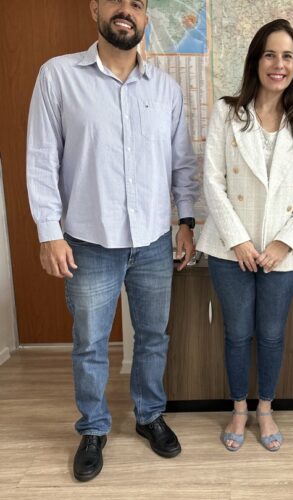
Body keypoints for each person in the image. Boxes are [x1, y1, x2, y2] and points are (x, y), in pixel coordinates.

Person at [26, 0, 198, 482]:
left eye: (138, 3)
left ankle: (149, 416)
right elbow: (40, 159)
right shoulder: (57, 76)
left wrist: (186, 222)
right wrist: (48, 232)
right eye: (116, 1)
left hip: (153, 242)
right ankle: (94, 428)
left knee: (153, 337)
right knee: (90, 344)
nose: (127, 10)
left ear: (146, 18)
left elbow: (181, 162)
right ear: (94, 9)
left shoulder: (165, 88)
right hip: (87, 241)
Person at [197, 19, 293, 452]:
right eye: (270, 54)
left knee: (271, 334)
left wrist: (280, 245)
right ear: (256, 60)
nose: (279, 64)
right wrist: (239, 241)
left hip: (281, 256)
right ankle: (238, 408)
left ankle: (265, 409)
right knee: (236, 333)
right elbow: (212, 181)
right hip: (230, 249)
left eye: (287, 56)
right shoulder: (225, 112)